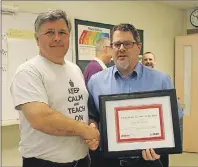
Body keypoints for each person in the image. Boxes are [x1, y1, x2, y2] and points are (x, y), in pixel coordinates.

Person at [10, 9, 99, 167]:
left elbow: (80, 109)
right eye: (50, 32)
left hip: (81, 159)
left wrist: (92, 128)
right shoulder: (29, 71)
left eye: (62, 32)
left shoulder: (75, 69)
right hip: (44, 162)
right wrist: (83, 130)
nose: (57, 38)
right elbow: (41, 118)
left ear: (69, 37)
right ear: (37, 39)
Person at [87, 23, 183, 167]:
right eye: (117, 44)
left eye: (127, 44)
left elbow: (175, 119)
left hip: (149, 159)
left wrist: (163, 147)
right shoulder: (96, 81)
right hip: (107, 160)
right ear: (111, 47)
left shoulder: (161, 80)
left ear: (139, 47)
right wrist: (92, 129)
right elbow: (92, 116)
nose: (121, 49)